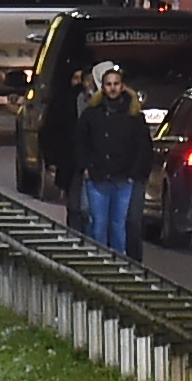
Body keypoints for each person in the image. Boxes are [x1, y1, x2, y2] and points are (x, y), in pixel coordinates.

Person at [73, 60, 154, 252]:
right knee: (98, 225)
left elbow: (143, 147)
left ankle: (119, 264)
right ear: (103, 86)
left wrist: (132, 173)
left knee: (119, 227)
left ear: (122, 86)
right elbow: (80, 142)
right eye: (108, 84)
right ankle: (100, 261)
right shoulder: (91, 114)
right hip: (97, 178)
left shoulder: (134, 116)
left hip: (123, 179)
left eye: (116, 84)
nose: (112, 88)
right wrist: (86, 167)